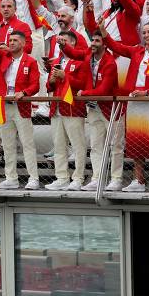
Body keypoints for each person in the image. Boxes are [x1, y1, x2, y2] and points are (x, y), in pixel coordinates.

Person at [104, 23, 149, 193]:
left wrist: (148, 92)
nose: (147, 35)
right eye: (144, 32)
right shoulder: (136, 51)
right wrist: (103, 31)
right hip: (134, 101)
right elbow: (114, 46)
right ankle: (138, 180)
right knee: (136, 142)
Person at [0, 18, 41, 190]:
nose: (11, 43)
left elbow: (35, 84)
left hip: (20, 106)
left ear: (22, 43)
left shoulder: (30, 61)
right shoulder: (4, 57)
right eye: (10, 40)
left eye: (15, 40)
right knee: (7, 144)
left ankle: (33, 178)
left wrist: (25, 93)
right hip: (3, 104)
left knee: (27, 143)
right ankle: (11, 178)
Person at [60, 31, 121, 191]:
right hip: (94, 108)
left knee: (115, 145)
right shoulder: (88, 53)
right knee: (95, 145)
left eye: (97, 41)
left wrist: (84, 93)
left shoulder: (110, 63)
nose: (93, 43)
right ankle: (96, 177)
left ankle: (116, 179)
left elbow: (104, 89)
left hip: (111, 108)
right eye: (92, 40)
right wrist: (62, 45)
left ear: (105, 44)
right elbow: (73, 53)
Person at [44, 31, 88, 191]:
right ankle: (62, 177)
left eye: (64, 41)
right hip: (56, 108)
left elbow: (82, 84)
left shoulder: (81, 60)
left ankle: (78, 177)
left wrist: (65, 76)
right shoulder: (57, 61)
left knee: (78, 145)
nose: (61, 44)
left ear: (73, 43)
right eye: (59, 41)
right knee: (59, 145)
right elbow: (49, 86)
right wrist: (51, 81)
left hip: (73, 108)